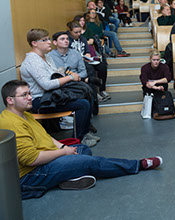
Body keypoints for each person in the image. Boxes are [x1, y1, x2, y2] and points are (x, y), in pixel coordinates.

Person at [0, 80, 162, 200]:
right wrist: (63, 153)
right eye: (24, 95)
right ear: (10, 100)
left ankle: (68, 177)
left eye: (29, 93)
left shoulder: (24, 113)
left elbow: (45, 136)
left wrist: (64, 147)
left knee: (83, 149)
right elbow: (31, 159)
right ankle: (138, 165)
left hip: (48, 157)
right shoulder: (11, 123)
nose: (30, 97)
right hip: (32, 174)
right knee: (88, 161)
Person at [19, 29, 97, 147]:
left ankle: (85, 132)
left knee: (87, 92)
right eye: (44, 40)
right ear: (34, 43)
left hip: (52, 95)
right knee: (83, 104)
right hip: (40, 100)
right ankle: (79, 139)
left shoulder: (46, 57)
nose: (49, 42)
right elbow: (46, 84)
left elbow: (54, 76)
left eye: (48, 39)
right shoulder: (32, 61)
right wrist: (70, 77)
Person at [67, 21, 110, 101]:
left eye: (80, 31)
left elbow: (87, 51)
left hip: (86, 60)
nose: (78, 34)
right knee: (90, 69)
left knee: (102, 66)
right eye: (76, 32)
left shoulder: (82, 39)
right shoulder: (67, 40)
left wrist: (87, 55)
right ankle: (94, 93)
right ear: (70, 31)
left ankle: (102, 90)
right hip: (76, 63)